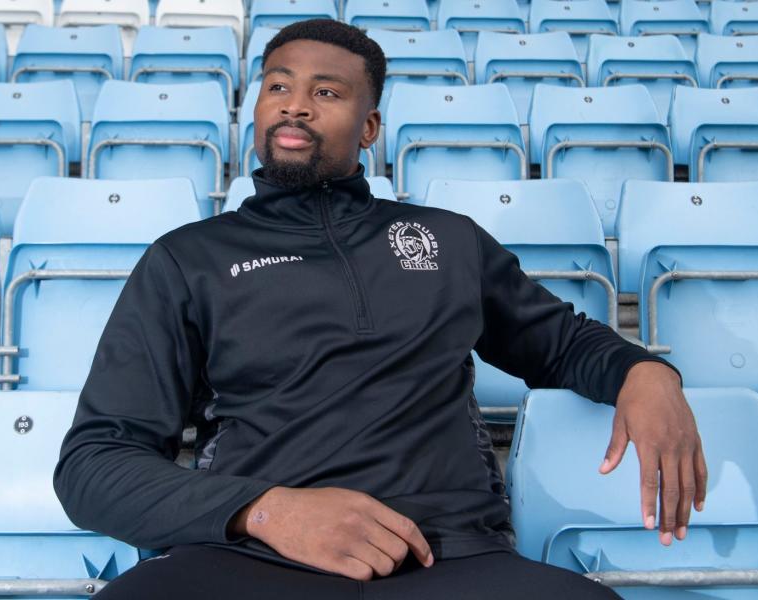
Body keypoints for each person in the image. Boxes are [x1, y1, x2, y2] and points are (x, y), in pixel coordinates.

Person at [54, 19, 707, 599]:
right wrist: (265, 511)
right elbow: (94, 464)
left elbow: (561, 344)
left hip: (448, 556)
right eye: (277, 86)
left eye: (327, 92)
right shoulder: (187, 260)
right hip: (250, 557)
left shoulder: (444, 239)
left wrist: (645, 375)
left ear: (369, 128)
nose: (297, 105)